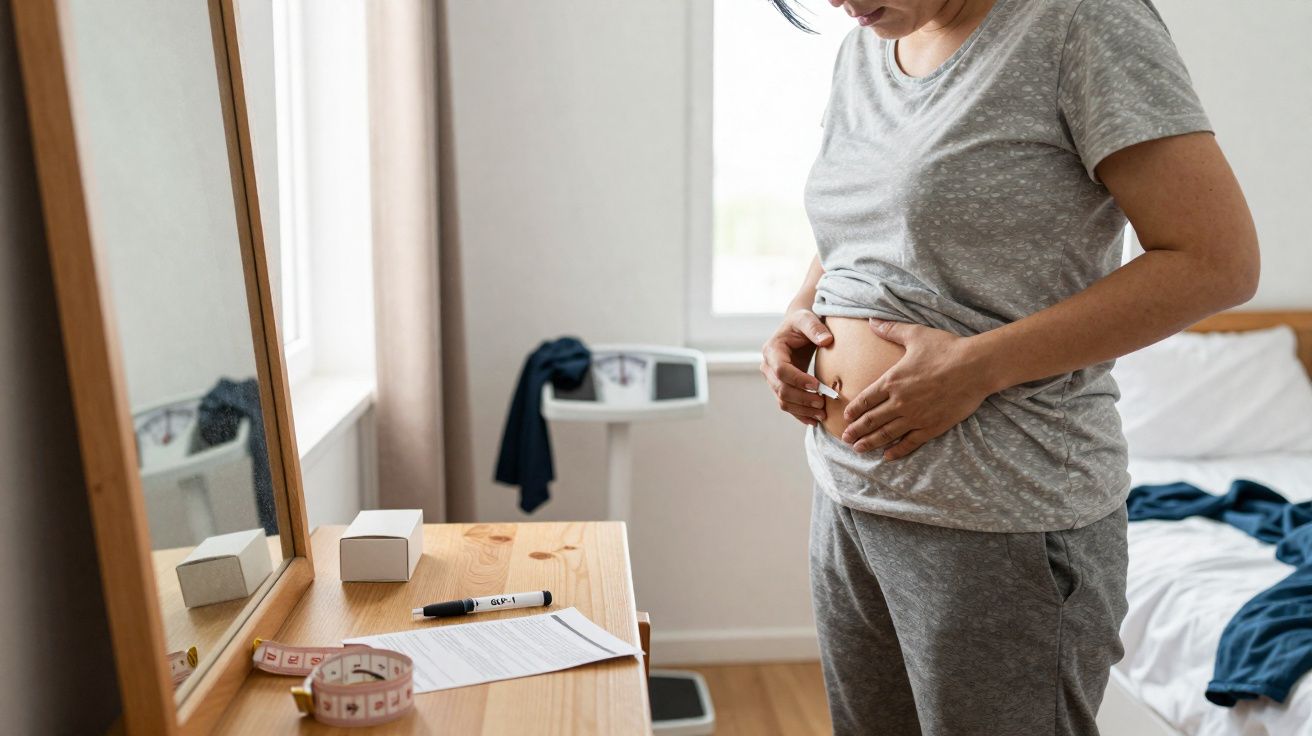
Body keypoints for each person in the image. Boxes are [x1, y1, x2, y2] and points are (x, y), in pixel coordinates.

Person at [758, 0, 1260, 734]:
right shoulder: (867, 45)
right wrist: (800, 317)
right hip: (848, 501)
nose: (840, 2)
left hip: (1001, 516)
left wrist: (977, 367)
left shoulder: (1081, 23)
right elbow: (863, 224)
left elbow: (1218, 262)